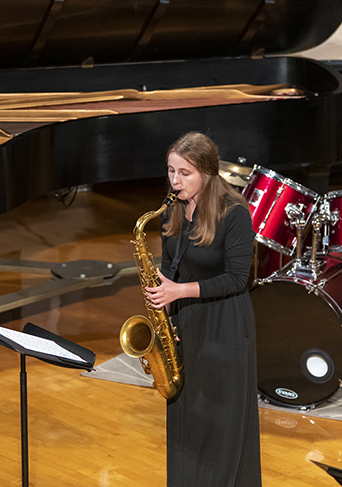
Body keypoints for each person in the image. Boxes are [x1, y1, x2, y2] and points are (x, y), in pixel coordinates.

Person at [145, 132, 261, 486]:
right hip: (186, 322)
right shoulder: (173, 209)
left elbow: (237, 279)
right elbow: (169, 264)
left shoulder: (234, 213)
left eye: (184, 173)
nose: (175, 181)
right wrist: (160, 304)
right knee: (187, 421)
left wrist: (179, 290)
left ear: (207, 173)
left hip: (224, 324)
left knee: (221, 425)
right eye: (170, 171)